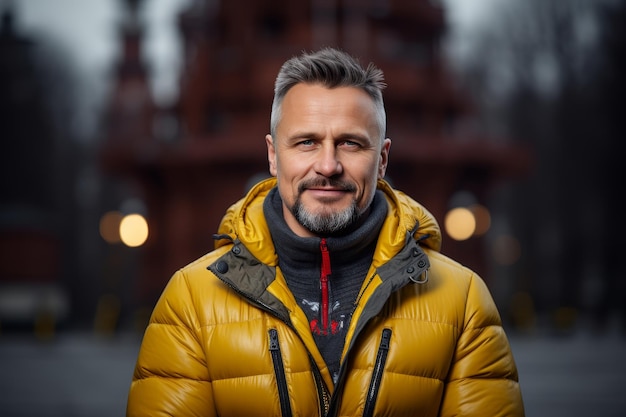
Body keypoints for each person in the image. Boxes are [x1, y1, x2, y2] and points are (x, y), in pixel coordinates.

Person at [126, 47, 525, 416]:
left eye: (351, 144)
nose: (328, 165)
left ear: (382, 159)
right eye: (306, 142)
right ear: (272, 154)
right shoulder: (191, 303)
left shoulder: (462, 302)